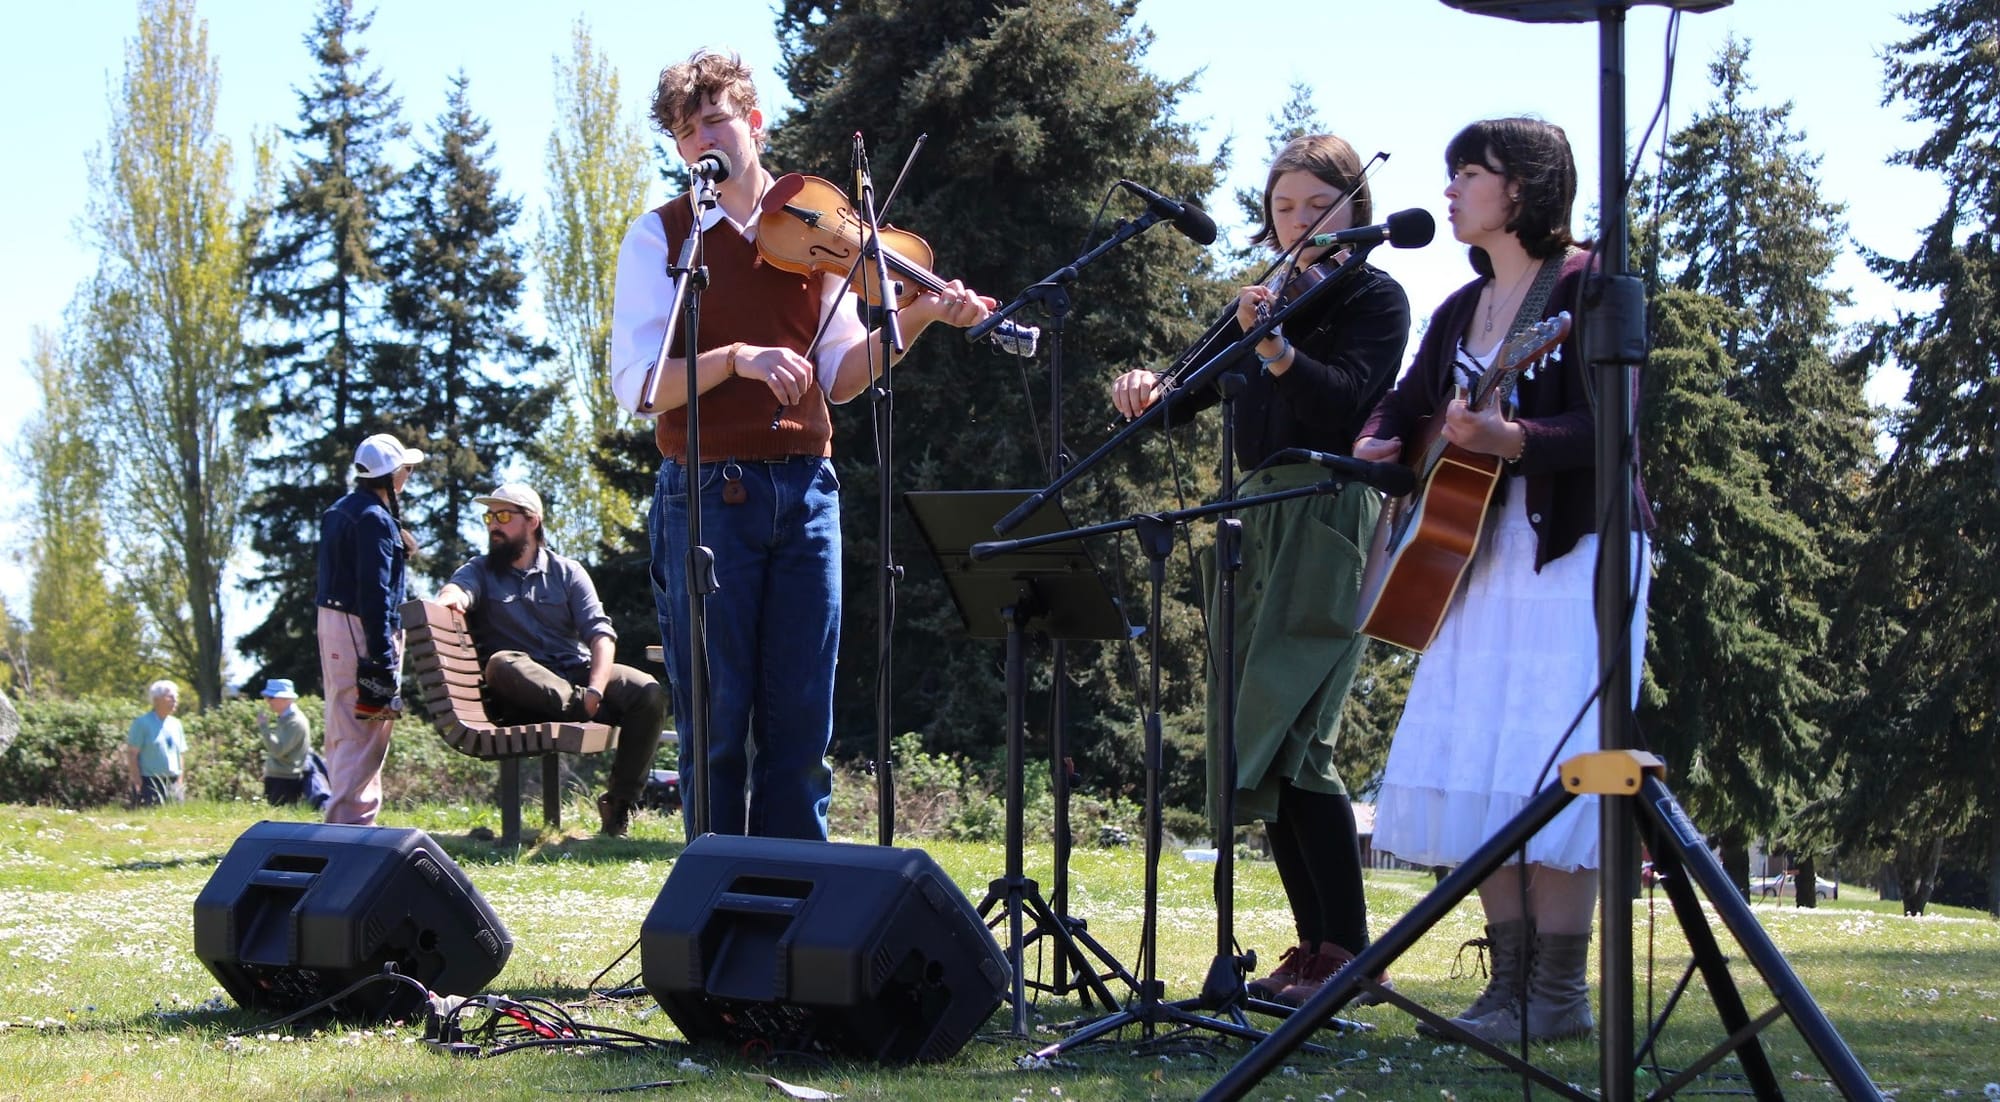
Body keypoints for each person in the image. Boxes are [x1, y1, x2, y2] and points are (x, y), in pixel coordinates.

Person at [608, 49, 993, 840]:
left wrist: (918, 316)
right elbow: (640, 387)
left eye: (714, 118)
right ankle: (715, 917)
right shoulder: (663, 237)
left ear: (753, 123)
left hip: (806, 490)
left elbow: (846, 375)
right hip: (708, 492)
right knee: (716, 726)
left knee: (800, 727)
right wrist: (737, 358)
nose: (700, 137)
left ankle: (791, 913)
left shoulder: (818, 237)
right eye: (685, 131)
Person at [1355, 117, 1653, 1043]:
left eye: (1467, 175)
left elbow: (1615, 431)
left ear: (1520, 188)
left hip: (1576, 562)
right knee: (1482, 771)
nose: (1450, 192)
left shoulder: (1589, 286)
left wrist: (1514, 439)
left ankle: (1559, 993)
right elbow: (1405, 402)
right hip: (1470, 561)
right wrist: (1379, 440)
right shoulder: (1460, 306)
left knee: (1557, 773)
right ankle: (1509, 988)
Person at [1108, 134, 1411, 1007]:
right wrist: (1144, 385)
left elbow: (1350, 397)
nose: (1299, 222)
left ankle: (1348, 952)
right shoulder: (1258, 296)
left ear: (1352, 209)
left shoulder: (1375, 296)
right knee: (1258, 740)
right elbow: (1182, 391)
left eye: (1317, 206)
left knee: (1297, 729)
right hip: (1256, 513)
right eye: (1283, 208)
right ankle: (1316, 947)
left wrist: (1275, 348)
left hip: (1329, 506)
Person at [434, 483, 672, 837]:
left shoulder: (568, 572)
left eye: (503, 516)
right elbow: (457, 590)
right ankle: (579, 706)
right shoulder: (480, 570)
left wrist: (595, 687)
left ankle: (620, 805)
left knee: (648, 691)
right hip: (520, 694)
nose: (492, 526)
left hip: (574, 677)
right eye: (488, 517)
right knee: (502, 663)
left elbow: (601, 636)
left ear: (532, 521)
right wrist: (449, 599)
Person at [316, 431, 424, 827]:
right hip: (362, 628)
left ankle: (352, 816)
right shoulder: (373, 519)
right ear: (392, 475)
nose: (409, 476)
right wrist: (381, 653)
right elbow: (374, 590)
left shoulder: (345, 510)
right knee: (365, 724)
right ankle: (351, 824)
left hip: (340, 624)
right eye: (407, 469)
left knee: (349, 723)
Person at [257, 677, 316, 807]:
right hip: (280, 777)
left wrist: (264, 727)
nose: (268, 701)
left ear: (286, 699)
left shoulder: (295, 722)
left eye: (271, 698)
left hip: (285, 780)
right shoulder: (286, 719)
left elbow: (278, 750)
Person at [126, 680, 187, 806]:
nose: (175, 699)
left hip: (173, 782)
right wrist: (137, 781)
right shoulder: (142, 723)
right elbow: (132, 754)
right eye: (170, 696)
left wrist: (180, 780)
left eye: (176, 696)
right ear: (156, 699)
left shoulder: (176, 724)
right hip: (149, 783)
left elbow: (180, 754)